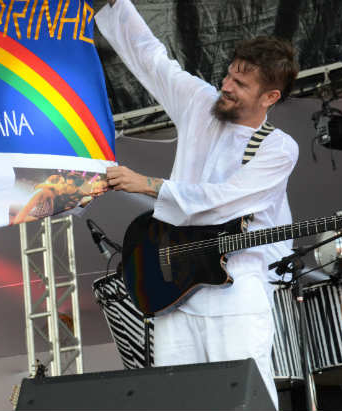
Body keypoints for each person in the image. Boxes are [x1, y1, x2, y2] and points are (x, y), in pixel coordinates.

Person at [96, 1, 299, 408]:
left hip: (236, 291)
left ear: (270, 96)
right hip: (175, 291)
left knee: (245, 398)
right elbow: (152, 59)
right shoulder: (199, 103)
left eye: (241, 84)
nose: (226, 85)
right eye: (229, 74)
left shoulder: (278, 149)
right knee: (179, 399)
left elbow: (223, 203)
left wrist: (149, 184)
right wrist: (114, 5)